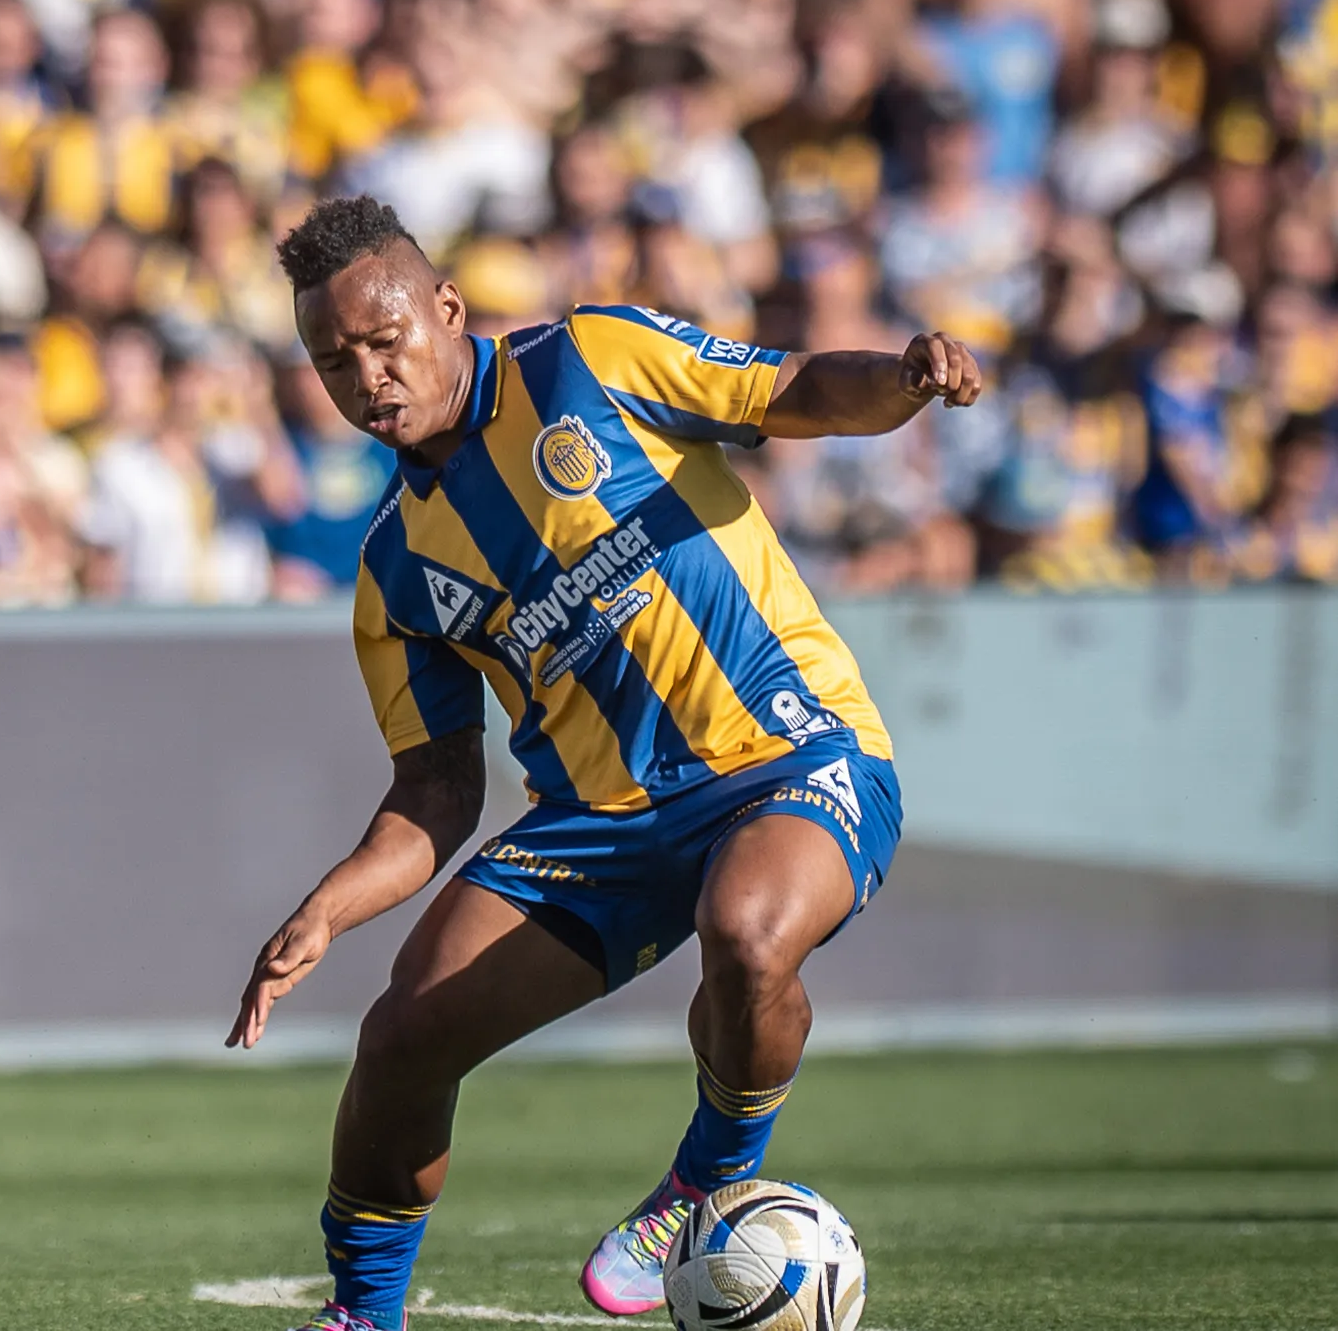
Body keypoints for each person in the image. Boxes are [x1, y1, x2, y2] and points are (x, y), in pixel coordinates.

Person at [227, 196, 982, 1329]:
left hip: (787, 750)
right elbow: (435, 789)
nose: (366, 378)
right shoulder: (394, 567)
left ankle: (701, 1181)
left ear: (446, 307)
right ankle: (360, 1313)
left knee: (746, 929)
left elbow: (791, 391)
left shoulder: (586, 358)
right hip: (599, 825)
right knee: (399, 1039)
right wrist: (330, 908)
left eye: (385, 341)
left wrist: (903, 377)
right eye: (334, 362)